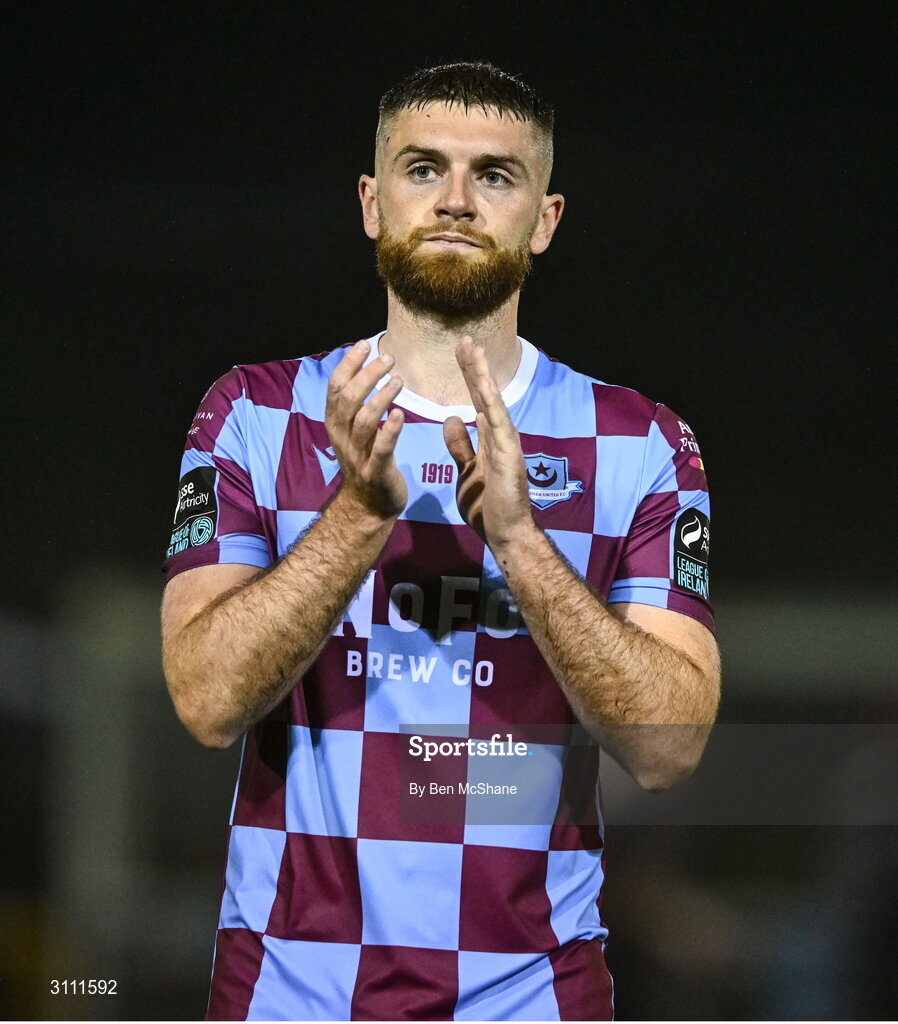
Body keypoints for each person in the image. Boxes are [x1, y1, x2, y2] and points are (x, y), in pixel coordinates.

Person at [160, 61, 720, 1022]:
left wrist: (519, 541)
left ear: (543, 219)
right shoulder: (255, 415)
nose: (457, 201)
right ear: (373, 204)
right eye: (424, 169)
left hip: (532, 999)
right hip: (291, 996)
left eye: (495, 176)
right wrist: (360, 516)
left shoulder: (637, 443)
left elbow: (668, 748)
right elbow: (207, 703)